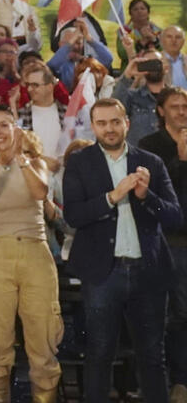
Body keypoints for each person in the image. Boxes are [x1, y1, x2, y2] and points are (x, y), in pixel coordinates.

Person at [63, 98, 181, 403]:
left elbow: (174, 216)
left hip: (149, 274)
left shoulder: (151, 162)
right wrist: (112, 197)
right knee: (99, 354)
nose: (110, 129)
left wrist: (146, 196)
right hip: (103, 273)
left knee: (152, 356)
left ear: (126, 123)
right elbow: (73, 215)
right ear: (93, 126)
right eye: (102, 123)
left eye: (115, 121)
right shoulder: (79, 162)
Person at [0, 106, 61, 403]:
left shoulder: (37, 163)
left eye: (4, 125)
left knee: (43, 343)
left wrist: (20, 159)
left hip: (35, 252)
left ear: (15, 129)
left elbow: (39, 192)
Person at [136, 87, 187, 403]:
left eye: (185, 106)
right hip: (171, 243)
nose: (182, 111)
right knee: (176, 316)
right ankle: (178, 383)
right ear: (160, 110)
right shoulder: (150, 147)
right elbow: (153, 194)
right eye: (175, 106)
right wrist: (181, 160)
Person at [17, 65, 69, 171]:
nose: (30, 89)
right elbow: (18, 148)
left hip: (64, 175)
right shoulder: (22, 114)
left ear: (50, 87)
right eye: (28, 85)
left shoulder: (67, 112)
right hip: (34, 174)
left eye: (35, 85)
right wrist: (42, 160)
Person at [116, 48, 168, 145]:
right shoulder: (132, 97)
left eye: (156, 62)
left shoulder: (176, 97)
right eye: (147, 63)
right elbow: (113, 108)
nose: (152, 67)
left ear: (166, 67)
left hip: (170, 156)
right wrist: (128, 75)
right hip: (139, 156)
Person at [118, 0, 162, 66]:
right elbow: (122, 54)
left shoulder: (157, 30)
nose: (139, 11)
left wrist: (153, 39)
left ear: (148, 12)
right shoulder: (124, 32)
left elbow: (166, 52)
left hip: (155, 70)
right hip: (131, 69)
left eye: (142, 8)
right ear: (130, 13)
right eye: (135, 9)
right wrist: (142, 42)